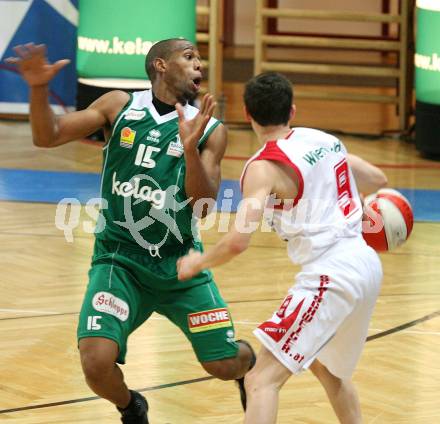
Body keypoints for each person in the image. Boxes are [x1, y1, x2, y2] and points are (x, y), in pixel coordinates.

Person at [7, 39, 255, 424]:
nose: (198, 65)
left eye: (199, 60)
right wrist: (39, 88)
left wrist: (190, 149)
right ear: (160, 64)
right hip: (118, 260)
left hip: (180, 266)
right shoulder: (119, 106)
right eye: (189, 57)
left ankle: (251, 365)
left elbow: (202, 204)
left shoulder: (211, 130)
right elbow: (48, 135)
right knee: (95, 362)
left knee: (223, 365)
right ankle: (130, 405)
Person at [177, 72, 387, 424]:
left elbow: (238, 240)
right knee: (328, 369)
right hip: (366, 266)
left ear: (247, 114)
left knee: (261, 379)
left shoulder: (262, 168)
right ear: (292, 110)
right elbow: (377, 180)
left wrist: (198, 262)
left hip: (330, 275)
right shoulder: (323, 140)